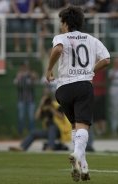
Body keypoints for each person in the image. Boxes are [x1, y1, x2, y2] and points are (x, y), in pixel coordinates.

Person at [45, 6, 110, 182]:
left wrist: (49, 68)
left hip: (63, 89)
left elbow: (58, 49)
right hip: (83, 86)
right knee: (83, 127)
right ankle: (75, 153)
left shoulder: (61, 37)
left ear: (65, 23)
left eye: (61, 22)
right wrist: (91, 70)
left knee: (75, 126)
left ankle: (84, 167)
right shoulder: (91, 39)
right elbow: (106, 59)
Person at [13, 63, 38, 135]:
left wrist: (30, 74)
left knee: (31, 117)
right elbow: (15, 83)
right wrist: (19, 76)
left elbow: (35, 79)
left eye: (25, 68)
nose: (24, 69)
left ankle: (32, 133)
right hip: (21, 100)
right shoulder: (19, 75)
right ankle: (20, 133)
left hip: (31, 100)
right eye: (23, 68)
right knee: (21, 117)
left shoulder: (30, 75)